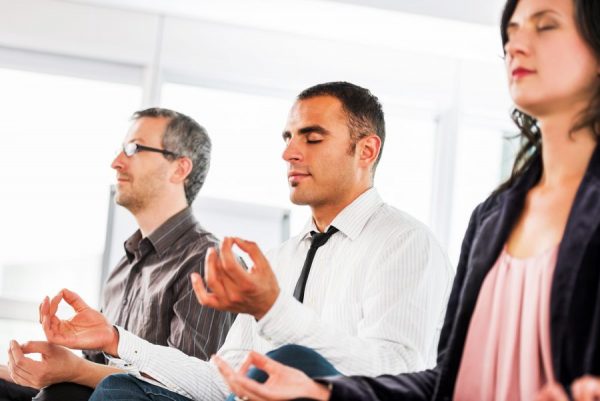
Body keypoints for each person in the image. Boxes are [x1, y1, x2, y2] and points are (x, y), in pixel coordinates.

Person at [213, 0, 600, 400]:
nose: (515, 44)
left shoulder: (406, 242)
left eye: (546, 26)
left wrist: (280, 316)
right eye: (512, 30)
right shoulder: (491, 218)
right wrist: (325, 392)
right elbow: (445, 381)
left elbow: (399, 362)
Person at [36, 82, 454, 401]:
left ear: (366, 151)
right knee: (120, 392)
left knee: (295, 364)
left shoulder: (405, 242)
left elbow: (398, 373)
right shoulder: (280, 259)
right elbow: (223, 381)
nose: (290, 153)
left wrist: (275, 311)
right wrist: (115, 339)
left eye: (311, 138)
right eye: (287, 138)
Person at [3, 108, 235, 401]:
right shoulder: (123, 268)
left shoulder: (207, 262)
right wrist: (34, 369)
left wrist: (74, 371)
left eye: (133, 149)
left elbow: (191, 386)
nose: (116, 163)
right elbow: (91, 368)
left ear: (179, 169)